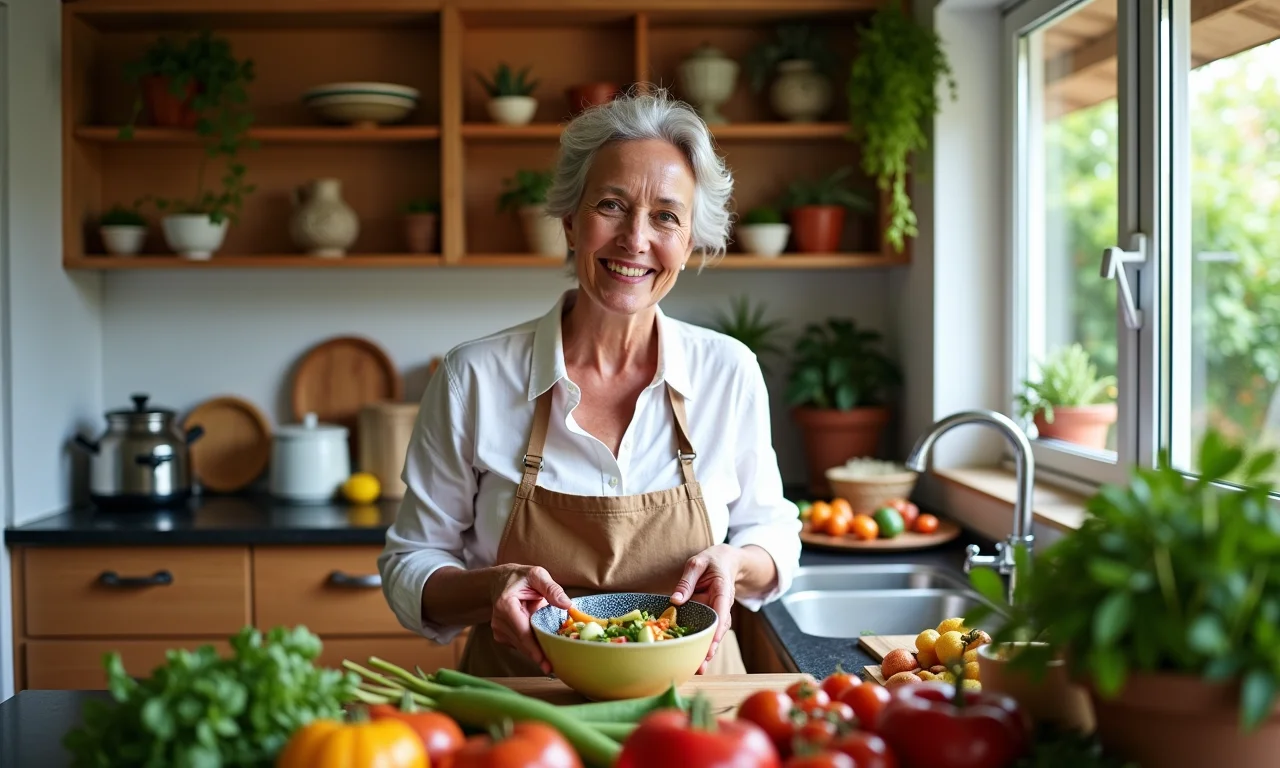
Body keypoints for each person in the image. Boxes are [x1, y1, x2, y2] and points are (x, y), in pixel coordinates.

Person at [378, 87, 802, 677]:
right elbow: (410, 563)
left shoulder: (728, 371)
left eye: (665, 217)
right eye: (611, 205)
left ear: (688, 243)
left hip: (698, 712)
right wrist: (490, 591)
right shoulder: (472, 378)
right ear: (571, 222)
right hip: (524, 707)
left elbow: (773, 531)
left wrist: (735, 565)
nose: (635, 239)